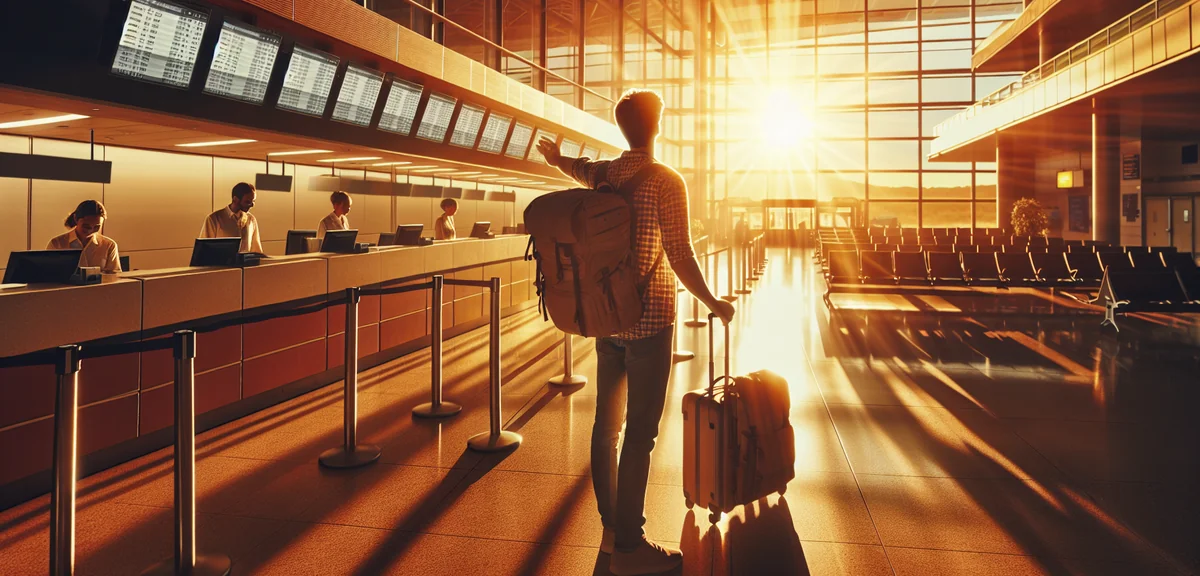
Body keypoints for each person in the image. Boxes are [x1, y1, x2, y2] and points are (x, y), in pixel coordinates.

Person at [537, 88, 735, 576]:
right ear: (657, 126)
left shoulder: (605, 173)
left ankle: (610, 532)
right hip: (648, 322)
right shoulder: (667, 181)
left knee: (607, 429)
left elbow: (580, 169)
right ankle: (630, 546)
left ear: (622, 127)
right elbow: (681, 254)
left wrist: (558, 158)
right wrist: (714, 302)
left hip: (607, 320)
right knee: (641, 435)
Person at [47, 200, 121, 273]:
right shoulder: (57, 244)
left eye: (96, 227)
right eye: (86, 226)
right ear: (76, 219)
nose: (90, 230)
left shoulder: (109, 245)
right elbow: (49, 274)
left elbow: (114, 278)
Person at [200, 182, 263, 253]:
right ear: (235, 199)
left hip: (245, 263)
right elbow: (204, 251)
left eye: (253, 201)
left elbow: (256, 251)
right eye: (247, 201)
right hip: (220, 264)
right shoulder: (213, 219)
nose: (252, 205)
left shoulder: (251, 220)